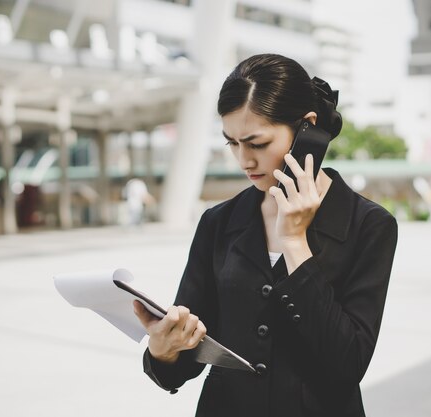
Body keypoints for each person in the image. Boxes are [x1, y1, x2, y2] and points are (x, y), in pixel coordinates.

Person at [133, 53, 398, 417]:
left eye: (257, 144)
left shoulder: (368, 225)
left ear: (309, 129)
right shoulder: (219, 223)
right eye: (232, 143)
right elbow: (191, 356)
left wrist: (294, 242)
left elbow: (348, 363)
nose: (243, 161)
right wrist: (164, 351)